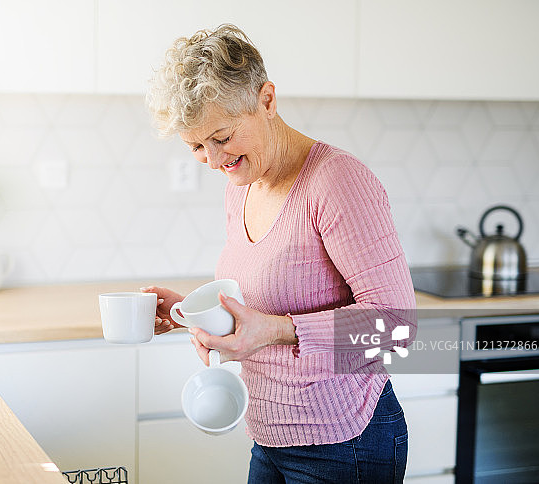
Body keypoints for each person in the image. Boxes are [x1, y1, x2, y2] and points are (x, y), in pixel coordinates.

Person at [141, 24, 417, 483]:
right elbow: (272, 298)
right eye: (196, 146)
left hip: (344, 443)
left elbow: (399, 327)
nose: (212, 160)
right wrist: (194, 313)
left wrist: (273, 331)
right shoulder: (243, 185)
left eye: (223, 137)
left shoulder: (336, 182)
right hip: (271, 438)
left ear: (266, 100)